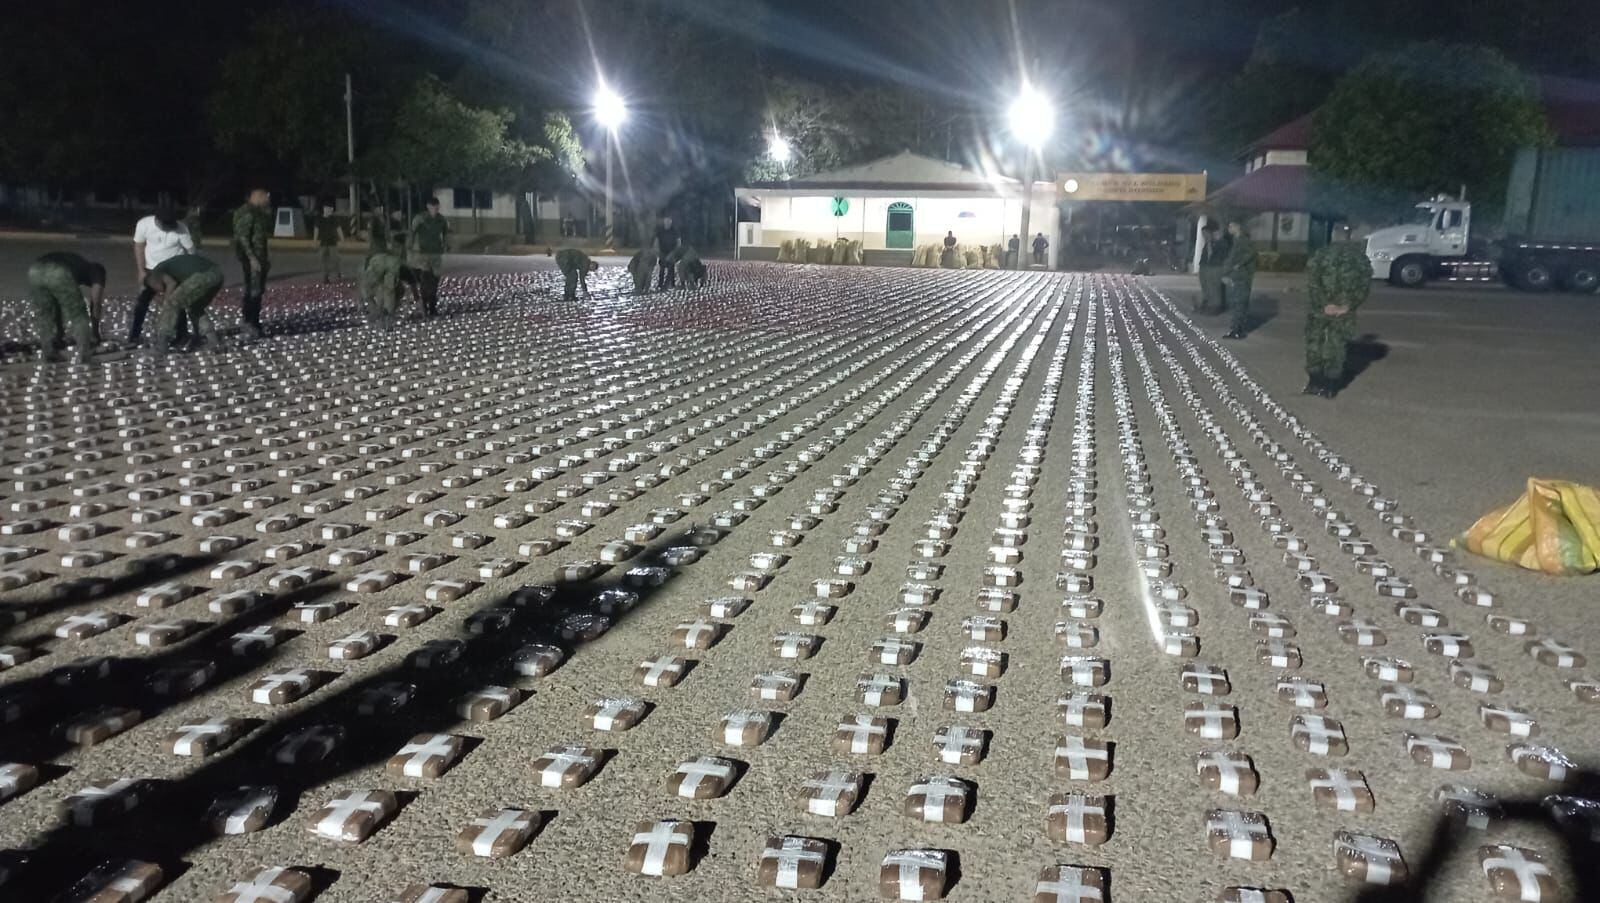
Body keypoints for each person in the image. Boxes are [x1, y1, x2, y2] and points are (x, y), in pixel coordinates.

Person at [1303, 243, 1372, 398]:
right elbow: (1313, 280)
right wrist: (1327, 304)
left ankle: (1328, 385)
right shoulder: (1325, 254)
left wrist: (1347, 305)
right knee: (1318, 344)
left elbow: (1364, 284)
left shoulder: (1357, 258)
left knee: (1333, 346)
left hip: (1336, 309)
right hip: (1325, 308)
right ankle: (1317, 383)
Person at [128, 204, 196, 344]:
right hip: (151, 270)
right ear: (157, 220)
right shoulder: (144, 224)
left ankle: (181, 335)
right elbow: (139, 246)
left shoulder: (181, 229)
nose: (169, 227)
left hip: (174, 272)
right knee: (142, 302)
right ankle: (134, 335)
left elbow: (191, 251)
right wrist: (141, 271)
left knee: (176, 302)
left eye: (171, 224)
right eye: (165, 224)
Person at [27, 252, 104, 363]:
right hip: (58, 271)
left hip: (35, 270)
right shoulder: (97, 270)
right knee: (78, 314)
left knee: (46, 313)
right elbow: (96, 301)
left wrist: (60, 333)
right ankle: (84, 355)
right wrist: (95, 332)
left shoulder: (77, 264)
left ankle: (49, 352)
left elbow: (57, 306)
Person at [144, 252, 224, 354]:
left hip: (202, 276)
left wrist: (164, 302)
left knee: (172, 303)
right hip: (217, 275)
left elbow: (171, 283)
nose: (161, 292)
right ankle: (213, 341)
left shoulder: (157, 272)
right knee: (195, 307)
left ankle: (162, 345)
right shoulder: (171, 270)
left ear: (152, 283)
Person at [231, 187, 272, 339]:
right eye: (264, 196)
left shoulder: (258, 212)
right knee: (253, 290)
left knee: (257, 290)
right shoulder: (247, 213)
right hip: (251, 259)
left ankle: (255, 322)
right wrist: (252, 258)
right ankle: (250, 322)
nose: (267, 198)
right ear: (256, 197)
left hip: (259, 257)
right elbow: (242, 238)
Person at [409, 196, 449, 317]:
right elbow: (412, 232)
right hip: (424, 254)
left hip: (436, 253)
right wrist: (410, 246)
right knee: (425, 281)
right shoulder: (420, 219)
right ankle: (425, 306)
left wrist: (446, 245)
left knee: (435, 280)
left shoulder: (441, 219)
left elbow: (445, 233)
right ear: (428, 207)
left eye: (437, 208)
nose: (436, 210)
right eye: (433, 207)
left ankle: (432, 307)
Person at [360, 250, 419, 329]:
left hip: (384, 265)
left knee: (390, 293)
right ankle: (385, 316)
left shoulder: (400, 269)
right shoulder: (404, 273)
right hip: (388, 268)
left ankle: (384, 315)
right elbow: (389, 291)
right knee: (388, 294)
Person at [1221, 221, 1258, 339]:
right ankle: (1235, 329)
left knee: (1239, 304)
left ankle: (1237, 330)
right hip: (1236, 276)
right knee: (1235, 303)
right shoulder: (1236, 241)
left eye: (1231, 225)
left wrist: (1239, 265)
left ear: (1238, 226)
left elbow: (1251, 253)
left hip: (1241, 277)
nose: (1228, 228)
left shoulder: (1243, 240)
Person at [1196, 220, 1230, 314]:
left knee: (1214, 287)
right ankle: (1207, 303)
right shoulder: (1209, 243)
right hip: (1206, 266)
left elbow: (1219, 255)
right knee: (1206, 286)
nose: (1204, 235)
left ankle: (1216, 306)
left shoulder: (1221, 243)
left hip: (1215, 267)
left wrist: (1212, 242)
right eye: (1203, 233)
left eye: (1206, 233)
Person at [313, 204, 346, 283]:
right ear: (324, 209)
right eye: (328, 209)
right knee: (323, 260)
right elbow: (316, 230)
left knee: (335, 259)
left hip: (332, 243)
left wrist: (342, 239)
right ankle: (326, 276)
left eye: (331, 209)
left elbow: (339, 229)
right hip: (323, 243)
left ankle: (338, 273)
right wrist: (314, 240)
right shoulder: (319, 219)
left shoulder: (333, 219)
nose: (330, 211)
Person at [653, 215, 681, 289]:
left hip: (672, 252)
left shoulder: (674, 230)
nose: (667, 222)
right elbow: (656, 241)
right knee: (662, 269)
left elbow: (678, 241)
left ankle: (672, 283)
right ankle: (660, 283)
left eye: (669, 221)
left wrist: (676, 252)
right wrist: (658, 251)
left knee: (671, 269)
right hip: (663, 252)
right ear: (664, 221)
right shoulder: (660, 231)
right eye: (666, 221)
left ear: (671, 222)